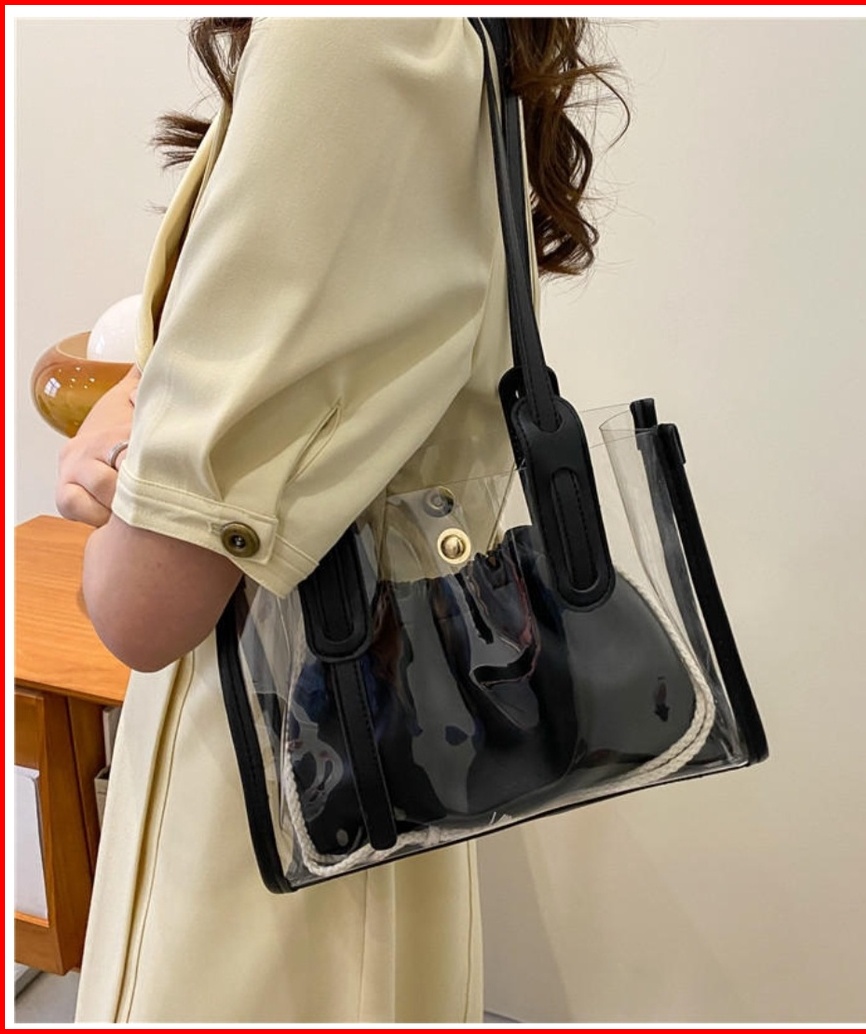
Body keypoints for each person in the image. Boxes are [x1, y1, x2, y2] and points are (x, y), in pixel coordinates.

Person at [56, 17, 621, 1023]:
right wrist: (144, 401)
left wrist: (119, 498)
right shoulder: (440, 34)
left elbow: (143, 607)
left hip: (273, 784)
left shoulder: (348, 33)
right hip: (372, 749)